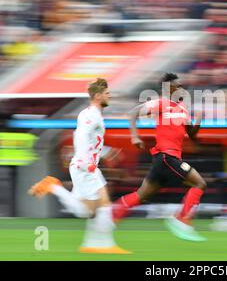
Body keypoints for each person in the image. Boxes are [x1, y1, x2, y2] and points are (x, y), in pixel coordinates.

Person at [28, 78, 129, 254]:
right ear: (98, 96)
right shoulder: (91, 115)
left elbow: (89, 140)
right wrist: (84, 162)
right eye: (106, 93)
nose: (110, 95)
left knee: (95, 207)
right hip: (85, 167)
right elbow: (81, 136)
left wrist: (106, 152)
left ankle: (94, 244)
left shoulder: (92, 113)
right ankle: (104, 244)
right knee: (95, 208)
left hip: (88, 165)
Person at [112, 73, 207, 241]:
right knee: (200, 183)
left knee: (142, 194)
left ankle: (112, 215)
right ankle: (181, 219)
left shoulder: (183, 108)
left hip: (165, 160)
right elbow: (133, 113)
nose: (181, 88)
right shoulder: (161, 104)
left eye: (181, 86)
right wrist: (135, 136)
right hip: (166, 156)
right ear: (168, 89)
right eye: (177, 86)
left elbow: (191, 134)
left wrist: (198, 120)